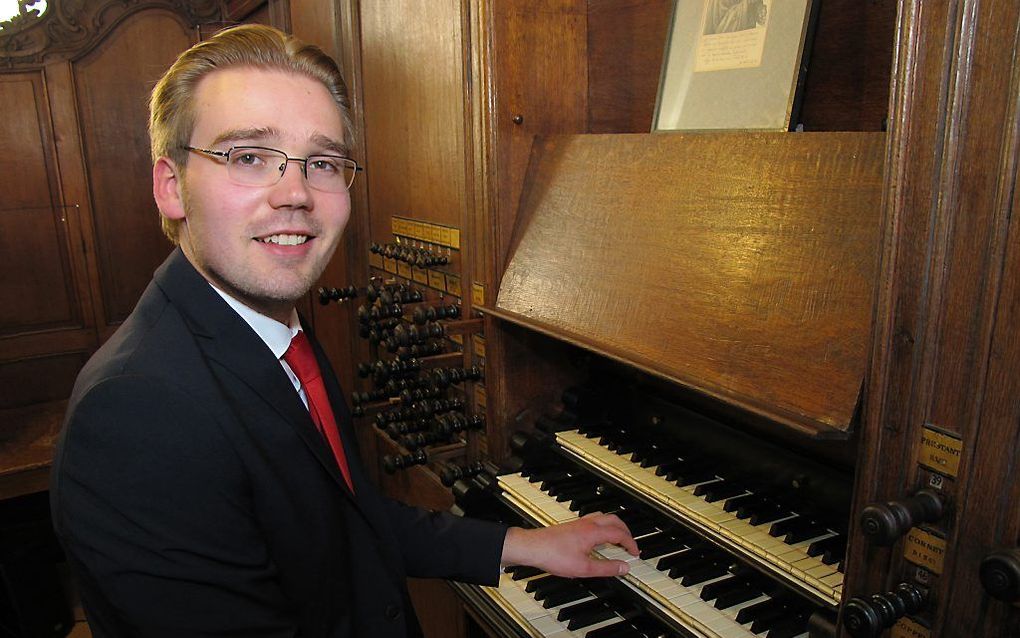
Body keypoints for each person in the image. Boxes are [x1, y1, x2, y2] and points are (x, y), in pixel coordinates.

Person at [49, 23, 637, 638]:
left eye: (323, 162)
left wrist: (521, 545)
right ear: (172, 188)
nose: (296, 193)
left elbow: (338, 520)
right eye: (249, 157)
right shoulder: (136, 416)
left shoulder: (274, 332)